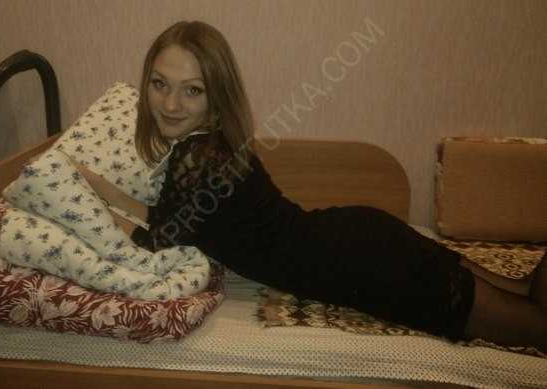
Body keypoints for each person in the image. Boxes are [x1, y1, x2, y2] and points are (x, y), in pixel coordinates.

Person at [81, 20, 547, 351]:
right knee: (524, 290)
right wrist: (97, 184)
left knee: (535, 327)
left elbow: (154, 239)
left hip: (364, 264)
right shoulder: (208, 147)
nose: (170, 104)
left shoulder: (199, 158)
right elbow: (169, 218)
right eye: (160, 84)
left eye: (192, 90)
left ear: (216, 98)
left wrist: (79, 202)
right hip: (358, 240)